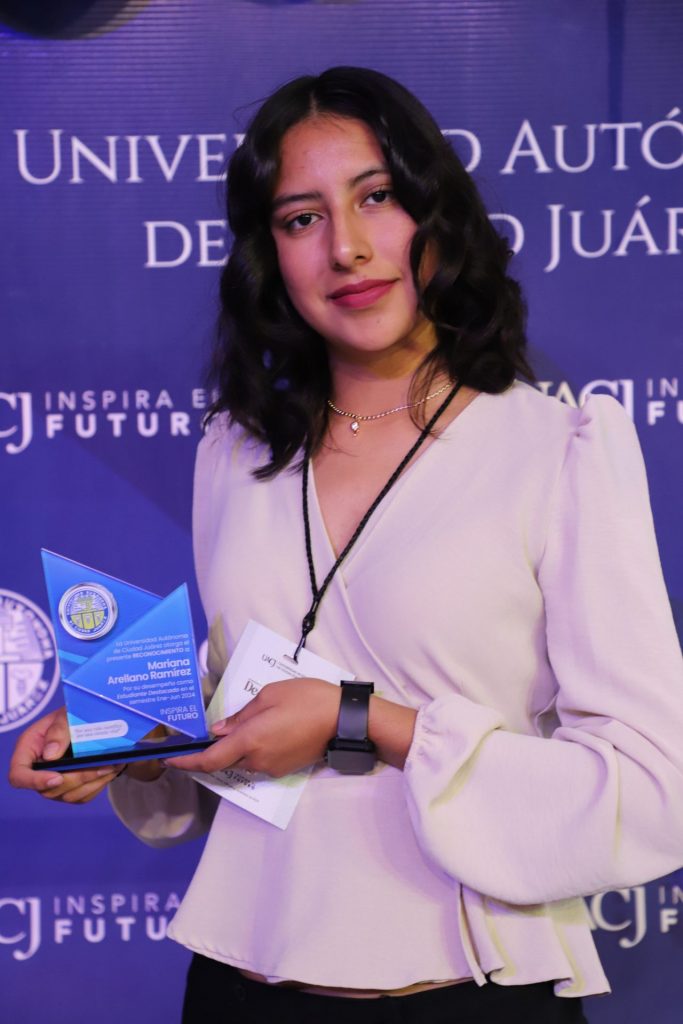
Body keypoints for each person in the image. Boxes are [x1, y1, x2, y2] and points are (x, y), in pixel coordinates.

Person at [9, 67, 683, 1024]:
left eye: (377, 197)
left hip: (473, 993)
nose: (347, 248)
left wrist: (358, 720)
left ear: (435, 213)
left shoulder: (557, 447)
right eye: (301, 218)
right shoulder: (234, 451)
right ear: (268, 256)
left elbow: (653, 787)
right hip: (243, 988)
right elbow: (241, 692)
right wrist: (131, 737)